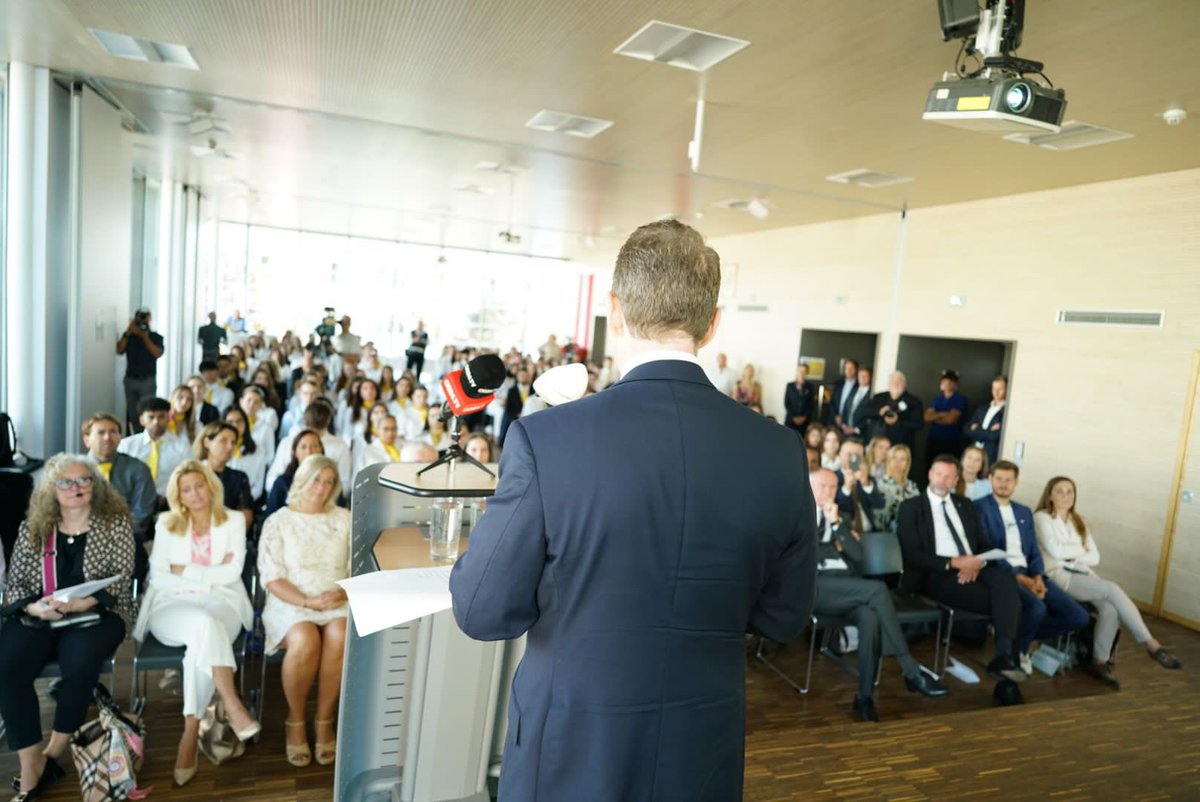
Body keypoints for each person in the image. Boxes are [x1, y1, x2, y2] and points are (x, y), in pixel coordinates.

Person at [449, 219, 816, 802]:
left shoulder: (548, 439)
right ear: (712, 323)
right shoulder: (778, 451)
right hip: (702, 749)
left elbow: (481, 610)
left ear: (614, 310)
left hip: (570, 748)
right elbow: (783, 617)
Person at [0, 455, 135, 800]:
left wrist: (79, 603)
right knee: (7, 664)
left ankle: (53, 752)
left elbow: (121, 580)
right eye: (65, 482)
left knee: (79, 661)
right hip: (40, 614)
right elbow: (15, 583)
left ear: (95, 485)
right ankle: (31, 763)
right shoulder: (33, 527)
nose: (75, 487)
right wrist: (34, 607)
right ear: (51, 489)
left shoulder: (114, 525)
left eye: (83, 480)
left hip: (99, 614)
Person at [133, 460, 259, 786]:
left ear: (211, 486)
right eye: (186, 489)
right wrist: (209, 575)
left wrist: (184, 570)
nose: (194, 494)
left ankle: (189, 735)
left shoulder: (233, 521)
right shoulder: (166, 523)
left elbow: (232, 573)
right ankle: (232, 703)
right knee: (204, 624)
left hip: (224, 602)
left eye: (199, 485)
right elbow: (159, 576)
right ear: (178, 495)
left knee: (201, 642)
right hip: (170, 605)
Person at [808, 468, 947, 721]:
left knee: (870, 617)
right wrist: (830, 546)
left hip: (846, 587)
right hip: (814, 588)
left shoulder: (841, 517)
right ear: (808, 487)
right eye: (822, 486)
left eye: (833, 487)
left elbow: (857, 555)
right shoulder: (797, 517)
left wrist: (837, 525)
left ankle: (865, 698)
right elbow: (801, 557)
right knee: (878, 589)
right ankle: (910, 669)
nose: (829, 492)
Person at [896, 455, 1026, 692]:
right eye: (938, 474)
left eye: (948, 476)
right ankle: (1006, 666)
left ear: (956, 480)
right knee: (1011, 603)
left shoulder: (964, 505)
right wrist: (955, 562)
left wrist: (976, 563)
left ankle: (1003, 657)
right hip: (935, 573)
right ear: (930, 474)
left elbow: (983, 544)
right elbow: (912, 555)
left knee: (1005, 579)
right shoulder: (911, 507)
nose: (942, 480)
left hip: (974, 566)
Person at [1034, 477, 1182, 685]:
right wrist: (1080, 550)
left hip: (1082, 574)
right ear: (1050, 495)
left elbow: (1095, 557)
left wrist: (1072, 555)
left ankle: (1100, 661)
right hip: (1058, 575)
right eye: (1060, 491)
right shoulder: (1041, 518)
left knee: (1110, 609)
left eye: (1070, 491)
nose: (1065, 496)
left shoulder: (1079, 521)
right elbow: (1055, 551)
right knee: (1112, 589)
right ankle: (1152, 644)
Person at [258, 455, 350, 768]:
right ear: (302, 480)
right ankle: (295, 720)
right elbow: (272, 577)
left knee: (340, 633)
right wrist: (307, 602)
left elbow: (356, 567)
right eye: (316, 480)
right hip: (291, 600)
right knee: (305, 638)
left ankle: (324, 719)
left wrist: (342, 592)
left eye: (328, 482)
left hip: (335, 597)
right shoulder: (278, 521)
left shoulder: (344, 518)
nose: (321, 488)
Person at [975, 462, 1089, 675]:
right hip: (1002, 574)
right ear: (990, 479)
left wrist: (1037, 576)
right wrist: (1021, 580)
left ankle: (1016, 638)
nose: (1003, 484)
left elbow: (1033, 550)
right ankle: (1020, 652)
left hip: (1031, 573)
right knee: (1037, 608)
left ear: (1016, 482)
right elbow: (986, 550)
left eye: (1009, 480)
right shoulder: (978, 508)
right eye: (998, 479)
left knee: (1078, 617)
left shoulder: (1024, 512)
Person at [116, 397, 191, 502]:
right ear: (142, 420)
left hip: (169, 502)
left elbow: (189, 478)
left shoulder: (183, 447)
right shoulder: (126, 445)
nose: (156, 422)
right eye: (151, 417)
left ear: (169, 418)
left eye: (161, 417)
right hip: (132, 501)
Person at [194, 422, 255, 530]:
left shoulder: (239, 477)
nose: (230, 447)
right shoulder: (191, 474)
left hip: (228, 533)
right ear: (207, 442)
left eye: (233, 442)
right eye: (224, 441)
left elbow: (246, 519)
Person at [116, 307, 164, 433]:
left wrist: (145, 337)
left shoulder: (155, 337)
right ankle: (137, 435)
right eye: (140, 318)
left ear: (150, 319)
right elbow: (119, 350)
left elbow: (157, 353)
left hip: (147, 381)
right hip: (130, 379)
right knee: (133, 413)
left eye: (145, 317)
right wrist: (128, 332)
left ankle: (148, 435)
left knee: (148, 410)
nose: (142, 321)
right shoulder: (129, 337)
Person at [264, 430, 325, 517]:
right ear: (295, 452)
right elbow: (270, 517)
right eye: (303, 447)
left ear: (321, 450)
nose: (309, 452)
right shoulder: (283, 483)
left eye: (314, 446)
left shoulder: (329, 481)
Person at [835, 438, 884, 532]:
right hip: (846, 533)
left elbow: (879, 504)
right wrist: (846, 488)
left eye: (857, 455)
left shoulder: (868, 478)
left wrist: (866, 484)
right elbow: (839, 507)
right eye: (849, 454)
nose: (853, 459)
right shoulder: (833, 478)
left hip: (870, 531)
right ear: (840, 454)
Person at [864, 371, 923, 449]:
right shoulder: (879, 397)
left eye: (899, 382)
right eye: (892, 382)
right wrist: (879, 412)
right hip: (877, 442)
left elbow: (918, 424)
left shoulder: (914, 401)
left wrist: (897, 421)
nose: (895, 384)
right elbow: (865, 412)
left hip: (900, 446)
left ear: (904, 385)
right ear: (888, 384)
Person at [923, 369, 967, 470]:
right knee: (930, 467)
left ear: (955, 384)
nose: (946, 384)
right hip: (933, 440)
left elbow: (950, 420)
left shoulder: (960, 399)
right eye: (944, 381)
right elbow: (926, 417)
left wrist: (935, 417)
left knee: (947, 468)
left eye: (950, 382)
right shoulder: (937, 399)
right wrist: (943, 414)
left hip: (950, 441)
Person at [224, 406, 267, 502]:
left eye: (239, 421)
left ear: (245, 423)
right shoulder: (219, 447)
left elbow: (258, 485)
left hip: (247, 500)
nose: (235, 425)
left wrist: (244, 501)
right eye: (230, 422)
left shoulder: (258, 448)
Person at [965, 375, 1007, 463]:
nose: (996, 392)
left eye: (1000, 389)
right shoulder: (982, 408)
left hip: (990, 455)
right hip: (974, 451)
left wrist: (976, 429)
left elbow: (995, 436)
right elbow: (966, 429)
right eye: (994, 389)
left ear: (1007, 389)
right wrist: (988, 431)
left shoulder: (1007, 411)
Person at [878, 444, 919, 533]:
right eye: (894, 458)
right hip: (889, 532)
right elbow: (881, 517)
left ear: (907, 463)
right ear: (888, 460)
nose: (898, 462)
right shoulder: (880, 484)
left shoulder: (912, 485)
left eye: (902, 459)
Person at [352, 414, 403, 481]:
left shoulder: (403, 448)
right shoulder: (366, 451)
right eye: (386, 429)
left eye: (394, 429)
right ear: (378, 430)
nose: (390, 433)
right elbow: (357, 478)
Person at [836, 366, 874, 437]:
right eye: (860, 376)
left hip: (861, 434)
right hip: (845, 431)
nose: (862, 378)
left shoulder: (873, 394)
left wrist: (855, 429)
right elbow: (845, 408)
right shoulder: (853, 390)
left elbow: (870, 417)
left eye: (865, 376)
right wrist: (843, 425)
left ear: (870, 377)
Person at [500, 368, 533, 446]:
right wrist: (517, 415)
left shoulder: (533, 391)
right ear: (517, 377)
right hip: (516, 418)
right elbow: (509, 408)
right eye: (521, 375)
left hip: (530, 418)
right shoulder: (512, 391)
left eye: (525, 376)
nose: (523, 377)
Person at [783, 363, 816, 432]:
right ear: (797, 371)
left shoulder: (810, 387)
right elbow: (786, 403)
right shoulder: (790, 386)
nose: (801, 373)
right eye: (800, 371)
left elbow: (811, 404)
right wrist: (793, 417)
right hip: (791, 420)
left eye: (804, 371)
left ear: (806, 373)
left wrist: (804, 417)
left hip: (804, 422)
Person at [828, 358, 859, 428]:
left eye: (851, 368)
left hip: (850, 423)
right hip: (834, 420)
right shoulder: (838, 383)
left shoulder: (859, 385)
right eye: (847, 368)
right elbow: (832, 402)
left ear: (856, 369)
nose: (849, 371)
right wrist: (835, 416)